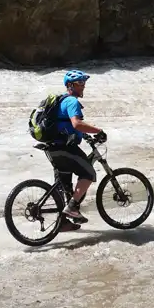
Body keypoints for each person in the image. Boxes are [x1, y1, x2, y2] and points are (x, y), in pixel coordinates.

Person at [46, 69, 107, 230]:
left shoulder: (62, 101)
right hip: (65, 149)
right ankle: (72, 207)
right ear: (70, 85)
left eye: (84, 83)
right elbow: (76, 124)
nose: (83, 86)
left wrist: (84, 136)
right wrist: (98, 131)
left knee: (64, 186)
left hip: (53, 148)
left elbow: (66, 124)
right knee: (88, 174)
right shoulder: (71, 101)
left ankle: (63, 222)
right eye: (80, 83)